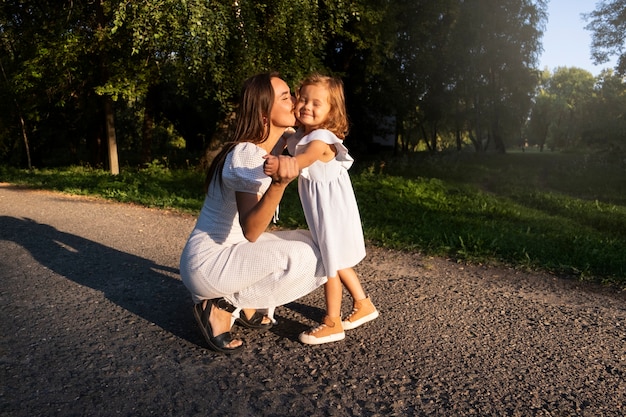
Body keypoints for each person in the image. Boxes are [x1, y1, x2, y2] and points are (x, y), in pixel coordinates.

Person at [179, 72, 327, 354]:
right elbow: (252, 230)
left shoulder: (266, 146)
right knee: (307, 256)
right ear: (263, 115)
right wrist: (280, 184)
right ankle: (222, 305)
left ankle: (241, 302)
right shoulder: (246, 154)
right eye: (286, 97)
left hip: (227, 255)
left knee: (315, 242)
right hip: (210, 263)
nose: (295, 101)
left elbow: (308, 141)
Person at [264, 73, 378, 345]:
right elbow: (290, 141)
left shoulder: (321, 139)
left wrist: (279, 163)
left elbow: (302, 160)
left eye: (317, 103)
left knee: (329, 263)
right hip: (324, 210)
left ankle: (332, 322)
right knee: (337, 260)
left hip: (332, 213)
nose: (306, 106)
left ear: (331, 111)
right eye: (303, 99)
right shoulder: (302, 134)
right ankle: (364, 305)